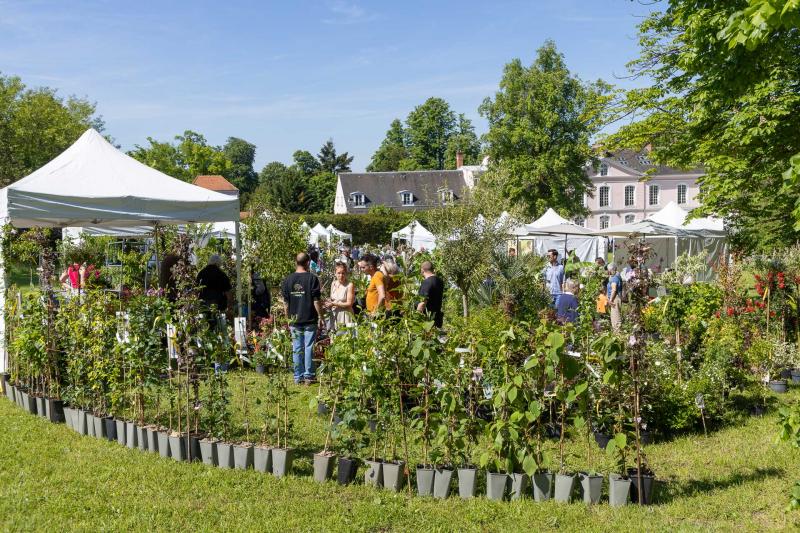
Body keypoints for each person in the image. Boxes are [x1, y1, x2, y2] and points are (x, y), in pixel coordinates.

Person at [281, 252, 323, 384]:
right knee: (308, 347)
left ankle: (298, 376)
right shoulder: (312, 278)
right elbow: (316, 300)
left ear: (296, 262)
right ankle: (309, 376)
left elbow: (285, 303)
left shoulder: (288, 280)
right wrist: (321, 316)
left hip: (294, 319)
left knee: (297, 348)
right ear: (308, 263)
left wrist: (288, 318)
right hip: (310, 317)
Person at [325, 262, 355, 329]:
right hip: (334, 315)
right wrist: (327, 302)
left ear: (346, 273)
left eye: (343, 273)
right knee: (334, 336)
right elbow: (331, 299)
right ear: (335, 273)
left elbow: (349, 304)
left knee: (346, 337)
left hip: (346, 315)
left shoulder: (350, 285)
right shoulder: (333, 284)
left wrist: (333, 303)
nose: (341, 275)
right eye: (339, 273)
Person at [417, 261, 444, 328]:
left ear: (422, 270)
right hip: (437, 319)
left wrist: (416, 317)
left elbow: (422, 303)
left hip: (427, 321)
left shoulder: (427, 282)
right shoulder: (440, 281)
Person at [607, 264, 623, 332]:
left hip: (614, 299)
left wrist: (610, 300)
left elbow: (614, 289)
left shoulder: (614, 278)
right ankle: (616, 334)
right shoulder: (616, 276)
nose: (608, 272)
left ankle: (618, 335)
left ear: (611, 270)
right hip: (615, 298)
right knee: (614, 317)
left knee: (615, 318)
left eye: (608, 270)